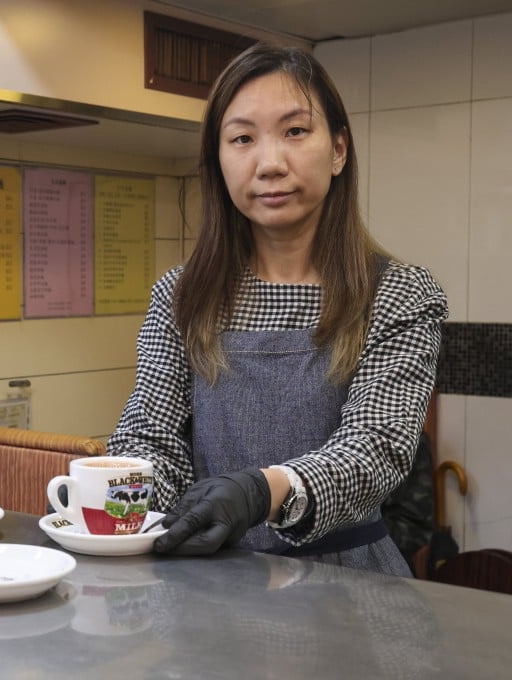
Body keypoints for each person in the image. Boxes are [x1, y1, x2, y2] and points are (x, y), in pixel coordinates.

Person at [106, 42, 448, 576]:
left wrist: (263, 491)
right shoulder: (181, 295)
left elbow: (376, 450)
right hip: (212, 577)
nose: (269, 163)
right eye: (242, 138)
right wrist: (127, 503)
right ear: (219, 162)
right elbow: (149, 434)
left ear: (338, 150)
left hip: (350, 583)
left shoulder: (399, 293)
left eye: (294, 131)